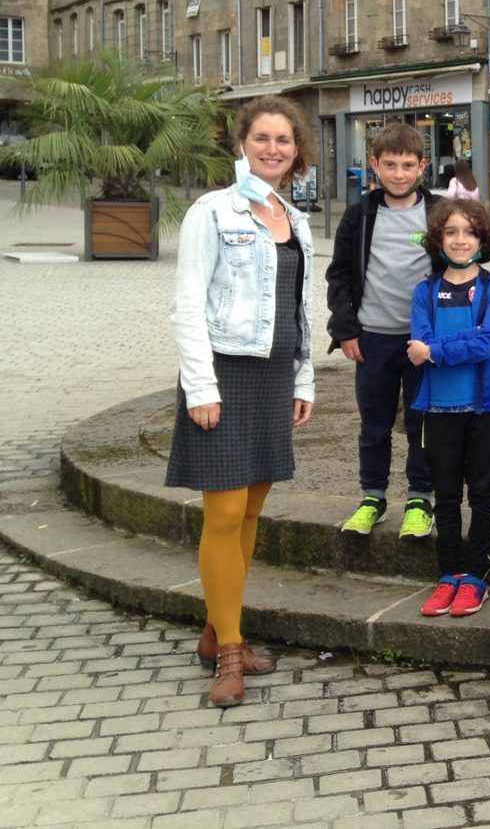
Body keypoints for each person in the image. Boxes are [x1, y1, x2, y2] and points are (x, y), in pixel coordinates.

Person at [167, 95, 315, 707]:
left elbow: (300, 308)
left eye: (284, 140)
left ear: (296, 150)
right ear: (242, 143)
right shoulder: (212, 211)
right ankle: (230, 652)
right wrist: (201, 387)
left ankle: (215, 628)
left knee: (251, 513)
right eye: (262, 138)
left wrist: (303, 380)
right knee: (224, 516)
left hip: (275, 375)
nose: (273, 149)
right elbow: (187, 304)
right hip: (225, 374)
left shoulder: (294, 217)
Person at [325, 123, 438, 538]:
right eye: (389, 165)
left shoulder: (438, 211)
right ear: (374, 165)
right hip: (372, 337)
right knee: (374, 424)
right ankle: (372, 496)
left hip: (421, 341)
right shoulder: (360, 214)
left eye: (408, 165)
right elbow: (338, 275)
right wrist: (346, 328)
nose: (399, 174)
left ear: (422, 166)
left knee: (421, 421)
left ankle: (418, 499)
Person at [409, 199, 490, 620]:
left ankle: (476, 576)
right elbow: (416, 348)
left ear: (482, 239)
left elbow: (486, 344)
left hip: (482, 409)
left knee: (482, 494)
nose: (460, 239)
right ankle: (449, 572)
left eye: (469, 231)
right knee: (446, 496)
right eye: (451, 232)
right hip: (438, 408)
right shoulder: (425, 292)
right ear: (438, 239)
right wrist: (437, 349)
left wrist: (434, 350)